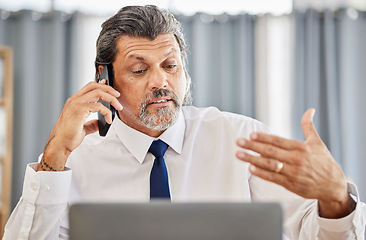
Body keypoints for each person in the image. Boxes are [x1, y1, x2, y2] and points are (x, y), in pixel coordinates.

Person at [3, 5, 366, 240]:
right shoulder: (75, 162)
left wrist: (336, 199)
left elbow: (315, 232)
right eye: (139, 69)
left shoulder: (241, 139)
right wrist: (54, 155)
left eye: (171, 65)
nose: (160, 81)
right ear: (105, 80)